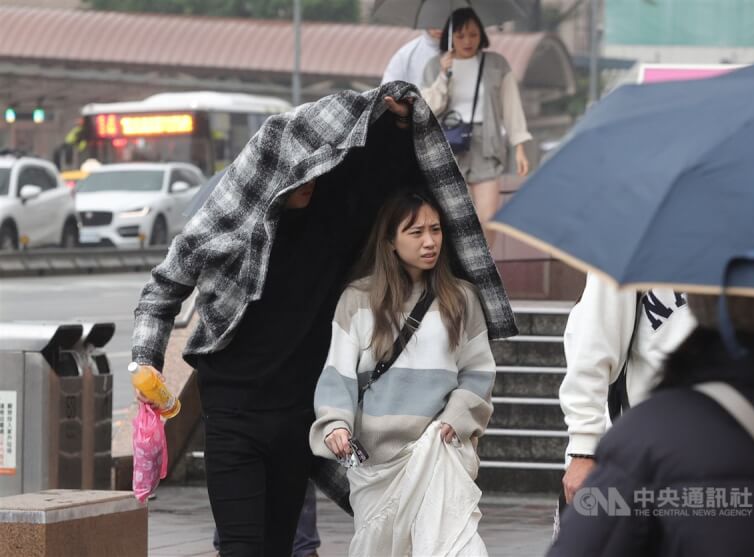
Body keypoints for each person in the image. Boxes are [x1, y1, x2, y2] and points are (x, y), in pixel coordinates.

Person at [131, 82, 517, 556]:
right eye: (300, 173)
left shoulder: (334, 215)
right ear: (275, 172)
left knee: (278, 544)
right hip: (233, 412)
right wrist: (145, 359)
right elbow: (163, 286)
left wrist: (393, 118)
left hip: (297, 414)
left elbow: (385, 173)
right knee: (240, 546)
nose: (311, 180)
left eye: (317, 169)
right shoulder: (233, 221)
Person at [310, 190, 496, 556]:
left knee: (459, 549)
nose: (430, 241)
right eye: (415, 232)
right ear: (390, 242)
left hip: (441, 453)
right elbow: (338, 373)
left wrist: (455, 419)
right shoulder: (358, 299)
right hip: (376, 464)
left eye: (436, 229)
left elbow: (478, 371)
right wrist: (335, 424)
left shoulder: (462, 299)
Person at [548, 293, 754, 556]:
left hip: (668, 442)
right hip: (670, 440)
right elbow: (592, 342)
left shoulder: (642, 441)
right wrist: (583, 448)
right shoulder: (645, 441)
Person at [559, 274, 696, 508]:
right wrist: (584, 450)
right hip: (642, 454)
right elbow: (592, 350)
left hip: (719, 452)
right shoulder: (632, 246)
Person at [420, 7, 532, 246]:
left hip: (486, 144)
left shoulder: (496, 64)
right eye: (460, 36)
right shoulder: (434, 65)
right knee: (454, 217)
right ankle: (459, 273)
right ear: (449, 37)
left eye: (472, 34)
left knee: (487, 217)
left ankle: (486, 268)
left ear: (481, 34)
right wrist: (443, 75)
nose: (467, 41)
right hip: (449, 143)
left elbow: (511, 107)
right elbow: (428, 107)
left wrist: (520, 146)